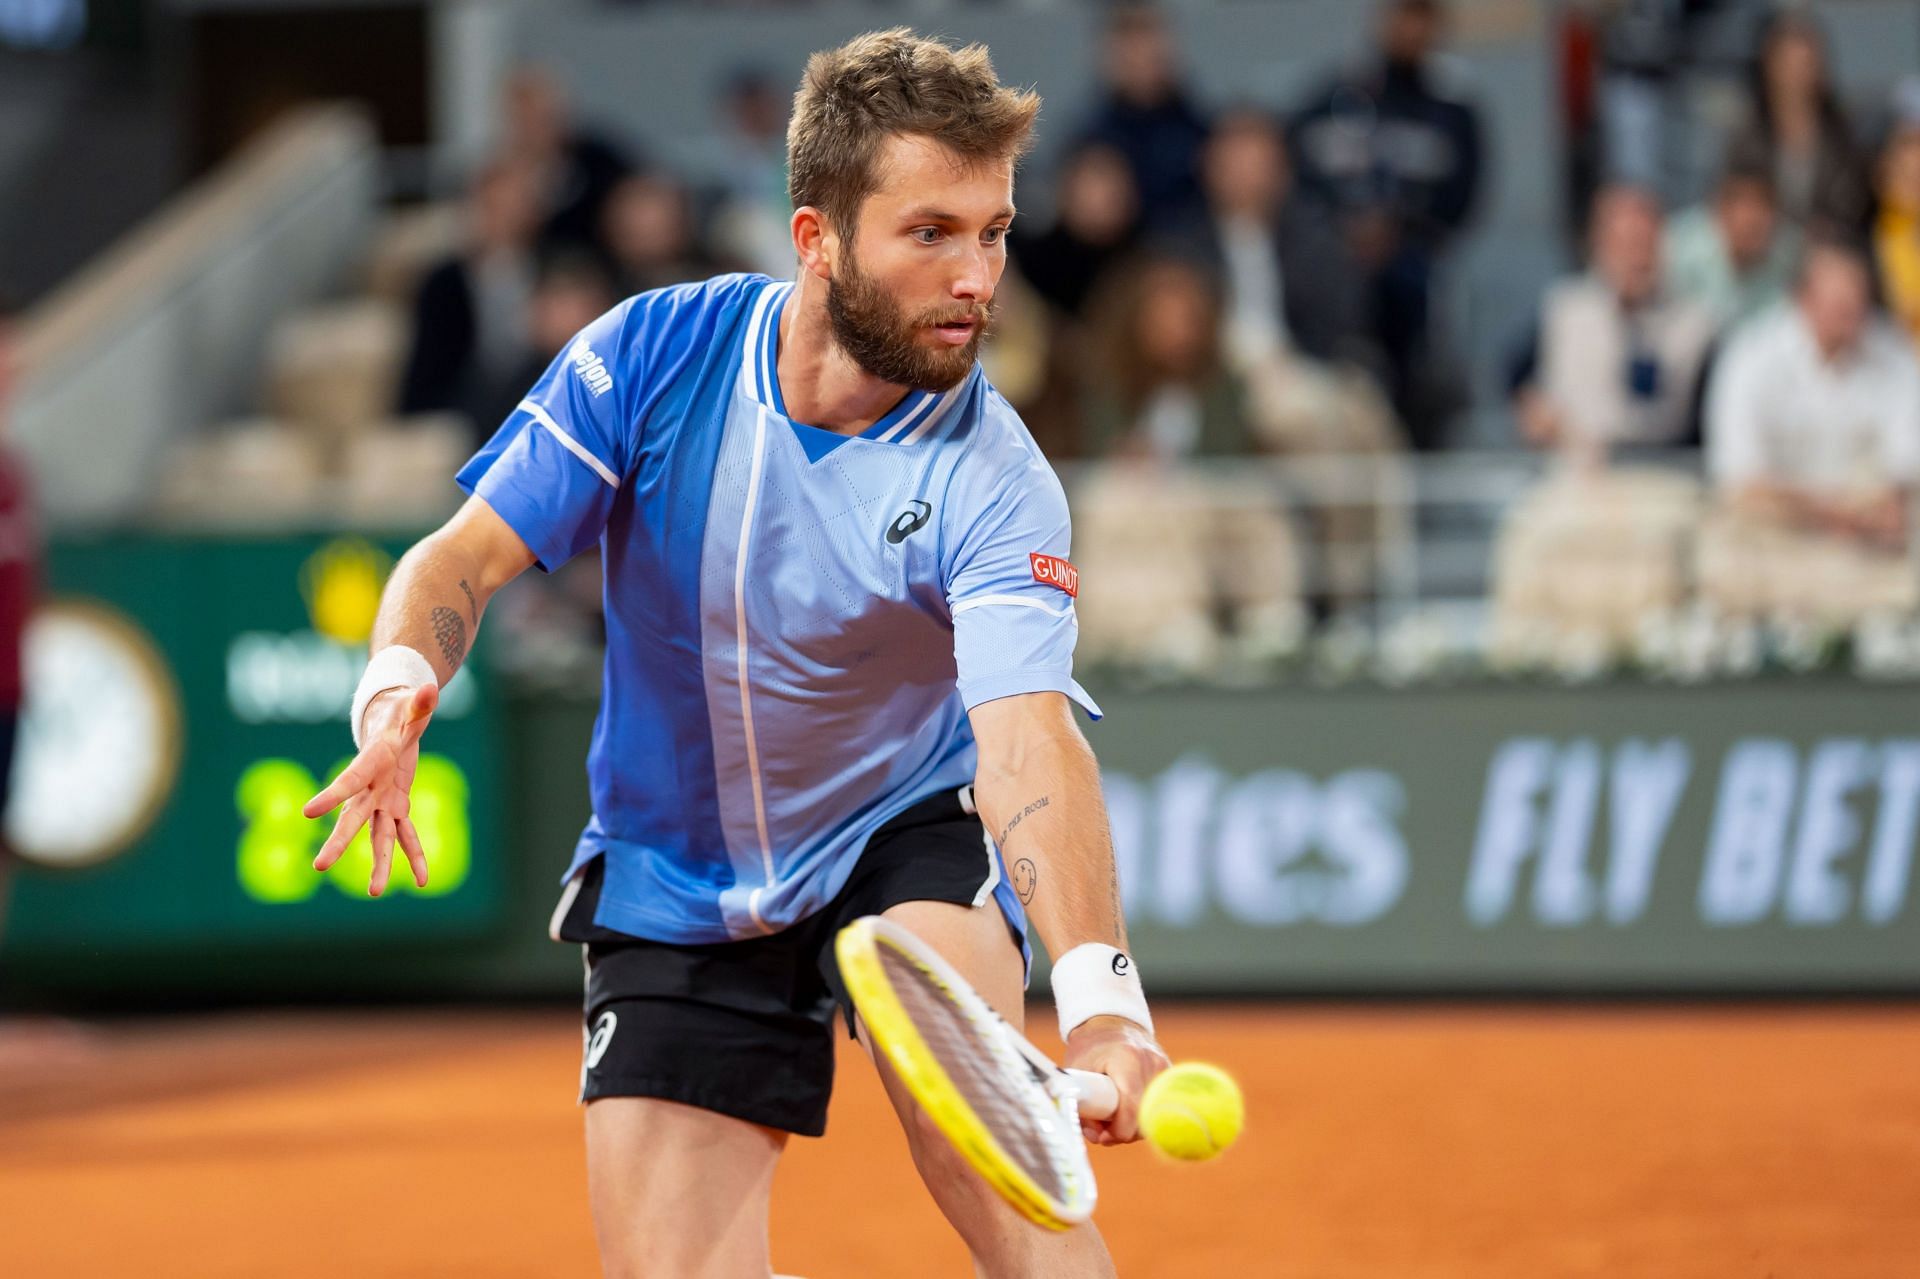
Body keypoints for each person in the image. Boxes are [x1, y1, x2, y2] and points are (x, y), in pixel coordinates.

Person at [304, 30, 1167, 1279]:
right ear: (815, 238)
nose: (977, 275)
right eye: (931, 232)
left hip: (898, 824)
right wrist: (397, 692)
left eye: (994, 231)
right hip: (676, 865)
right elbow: (457, 562)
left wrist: (1102, 1003)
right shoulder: (653, 355)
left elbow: (1027, 738)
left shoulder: (997, 477)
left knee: (985, 1147)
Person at [1289, 0, 1484, 449]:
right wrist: (1347, 228)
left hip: (1414, 268)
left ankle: (1417, 428)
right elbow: (1300, 178)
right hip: (1334, 261)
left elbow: (1462, 200)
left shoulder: (1451, 111)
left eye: (1421, 17)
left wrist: (1397, 228)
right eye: (1402, 14)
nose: (1409, 28)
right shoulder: (1333, 98)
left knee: (1415, 303)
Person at [1707, 237, 1920, 550]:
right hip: (1772, 543)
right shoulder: (1749, 356)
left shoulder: (1896, 356)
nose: (1851, 316)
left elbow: (1904, 474)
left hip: (1870, 544)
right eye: (1838, 305)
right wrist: (1830, 513)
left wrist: (1871, 512)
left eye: (1856, 303)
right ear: (1802, 299)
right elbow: (1739, 482)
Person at [1509, 185, 1716, 457]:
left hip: (1663, 468)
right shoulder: (1565, 309)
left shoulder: (1697, 323)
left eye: (1643, 244)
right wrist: (1537, 416)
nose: (1634, 259)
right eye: (1623, 244)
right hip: (1580, 468)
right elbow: (1518, 380)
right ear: (1599, 244)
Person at [396, 159, 541, 430]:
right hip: (468, 408)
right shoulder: (443, 284)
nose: (504, 220)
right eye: (493, 208)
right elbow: (425, 377)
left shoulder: (553, 270)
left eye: (513, 209)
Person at [1724, 9, 1869, 235]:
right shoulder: (1746, 133)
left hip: (1828, 246)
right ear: (1769, 65)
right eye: (1787, 63)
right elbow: (1736, 195)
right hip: (1764, 245)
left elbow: (1852, 201)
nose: (1796, 74)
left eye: (1805, 63)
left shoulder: (1842, 133)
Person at [1073, 3, 1210, 232]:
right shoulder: (1091, 143)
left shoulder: (1202, 133)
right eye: (1130, 46)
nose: (1140, 58)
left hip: (1195, 251)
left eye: (1148, 42)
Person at [1664, 163, 1798, 330]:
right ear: (1720, 211)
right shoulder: (1680, 249)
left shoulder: (1790, 259)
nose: (1754, 221)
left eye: (1763, 208)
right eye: (1745, 210)